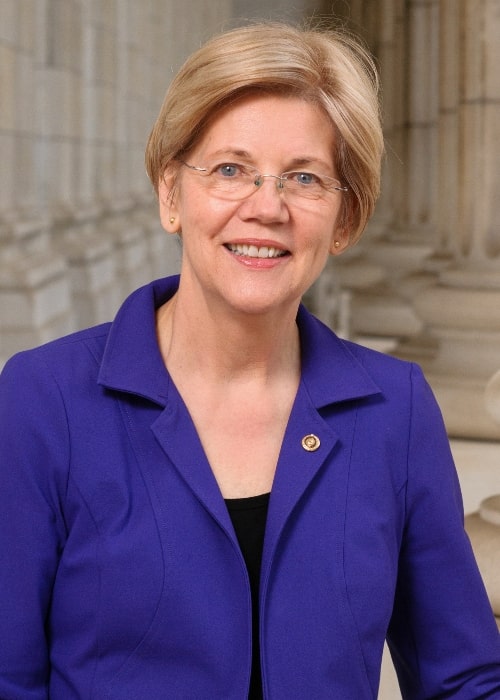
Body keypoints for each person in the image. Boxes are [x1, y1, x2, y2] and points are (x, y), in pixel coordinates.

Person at [0, 21, 499, 700]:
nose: (267, 207)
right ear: (171, 193)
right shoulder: (42, 399)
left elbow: (464, 678)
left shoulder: (397, 410)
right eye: (231, 169)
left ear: (344, 221)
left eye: (304, 178)